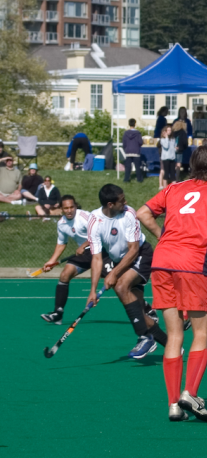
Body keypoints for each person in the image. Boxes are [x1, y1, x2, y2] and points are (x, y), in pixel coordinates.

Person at [137, 145, 207, 423]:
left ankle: (173, 405)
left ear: (192, 165)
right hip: (194, 266)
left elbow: (143, 214)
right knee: (202, 333)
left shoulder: (173, 188)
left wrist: (164, 236)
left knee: (174, 335)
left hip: (162, 262)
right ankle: (189, 392)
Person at [87, 184, 167, 359]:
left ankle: (145, 337)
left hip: (141, 255)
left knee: (121, 286)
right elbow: (97, 258)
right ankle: (171, 346)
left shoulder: (129, 214)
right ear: (110, 204)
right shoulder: (94, 220)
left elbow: (133, 249)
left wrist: (114, 274)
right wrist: (93, 290)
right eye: (122, 200)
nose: (126, 202)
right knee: (137, 309)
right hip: (120, 260)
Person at [39, 195, 117, 325]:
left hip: (102, 252)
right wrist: (52, 261)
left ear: (75, 206)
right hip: (85, 254)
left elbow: (100, 231)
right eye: (66, 208)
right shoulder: (62, 224)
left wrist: (84, 244)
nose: (69, 210)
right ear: (61, 209)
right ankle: (58, 313)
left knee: (118, 284)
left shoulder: (85, 217)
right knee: (65, 274)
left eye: (71, 207)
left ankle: (147, 310)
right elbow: (61, 243)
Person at [122, 118, 144, 183]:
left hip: (128, 151)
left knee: (128, 166)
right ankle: (139, 179)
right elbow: (140, 142)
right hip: (136, 151)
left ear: (129, 124)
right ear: (135, 124)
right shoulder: (138, 133)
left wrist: (125, 149)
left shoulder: (126, 133)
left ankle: (126, 179)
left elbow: (124, 142)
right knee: (137, 166)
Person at [157, 125, 177, 189]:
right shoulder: (163, 139)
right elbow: (166, 146)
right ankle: (165, 188)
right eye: (168, 130)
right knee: (166, 173)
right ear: (165, 131)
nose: (169, 132)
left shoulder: (173, 139)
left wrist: (175, 149)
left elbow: (173, 147)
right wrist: (166, 138)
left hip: (172, 157)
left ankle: (174, 188)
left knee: (173, 173)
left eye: (170, 130)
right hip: (166, 158)